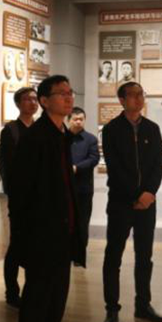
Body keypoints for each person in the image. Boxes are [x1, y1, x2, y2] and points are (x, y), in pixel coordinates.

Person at [11, 76, 87, 322]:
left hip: (62, 229)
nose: (68, 98)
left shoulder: (62, 135)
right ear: (44, 101)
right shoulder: (35, 138)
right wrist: (26, 234)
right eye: (61, 93)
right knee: (38, 295)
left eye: (70, 92)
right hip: (42, 233)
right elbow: (21, 191)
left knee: (57, 293)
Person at [101, 82, 162, 322]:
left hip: (147, 204)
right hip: (121, 202)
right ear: (121, 100)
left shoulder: (152, 128)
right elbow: (115, 168)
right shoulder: (111, 130)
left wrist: (149, 193)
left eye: (141, 94)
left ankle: (143, 304)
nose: (138, 99)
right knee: (113, 256)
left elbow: (158, 164)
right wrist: (136, 196)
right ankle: (111, 308)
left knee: (144, 256)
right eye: (132, 95)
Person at [0, 87, 39, 307]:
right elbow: (9, 166)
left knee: (35, 246)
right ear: (18, 103)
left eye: (34, 99)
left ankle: (32, 291)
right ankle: (12, 292)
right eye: (27, 99)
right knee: (16, 245)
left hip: (39, 197)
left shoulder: (40, 128)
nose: (32, 103)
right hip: (20, 198)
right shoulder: (11, 130)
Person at [67, 107, 100, 261]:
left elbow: (94, 159)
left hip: (83, 189)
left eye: (81, 119)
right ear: (69, 120)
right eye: (75, 119)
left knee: (82, 223)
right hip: (64, 188)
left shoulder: (90, 139)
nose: (78, 122)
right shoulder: (62, 138)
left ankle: (79, 256)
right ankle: (65, 254)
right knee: (65, 222)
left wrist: (76, 168)